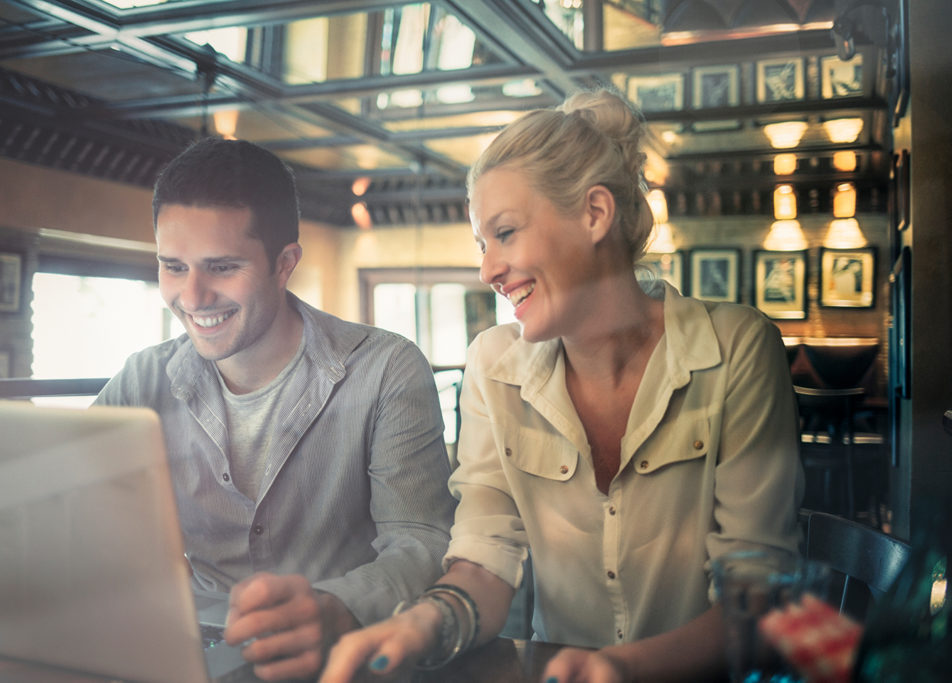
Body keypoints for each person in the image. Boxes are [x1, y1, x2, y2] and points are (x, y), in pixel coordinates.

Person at [320, 88, 804, 682]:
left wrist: (622, 669)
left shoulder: (736, 347)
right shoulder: (492, 365)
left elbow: (755, 592)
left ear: (594, 214)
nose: (488, 270)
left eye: (505, 233)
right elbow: (484, 558)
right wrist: (424, 623)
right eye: (482, 245)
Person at [93, 138, 456, 681]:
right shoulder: (142, 378)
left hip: (350, 658)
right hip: (194, 657)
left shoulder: (387, 369)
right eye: (173, 266)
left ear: (284, 264)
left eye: (221, 267)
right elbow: (59, 499)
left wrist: (334, 606)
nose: (192, 297)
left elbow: (423, 543)